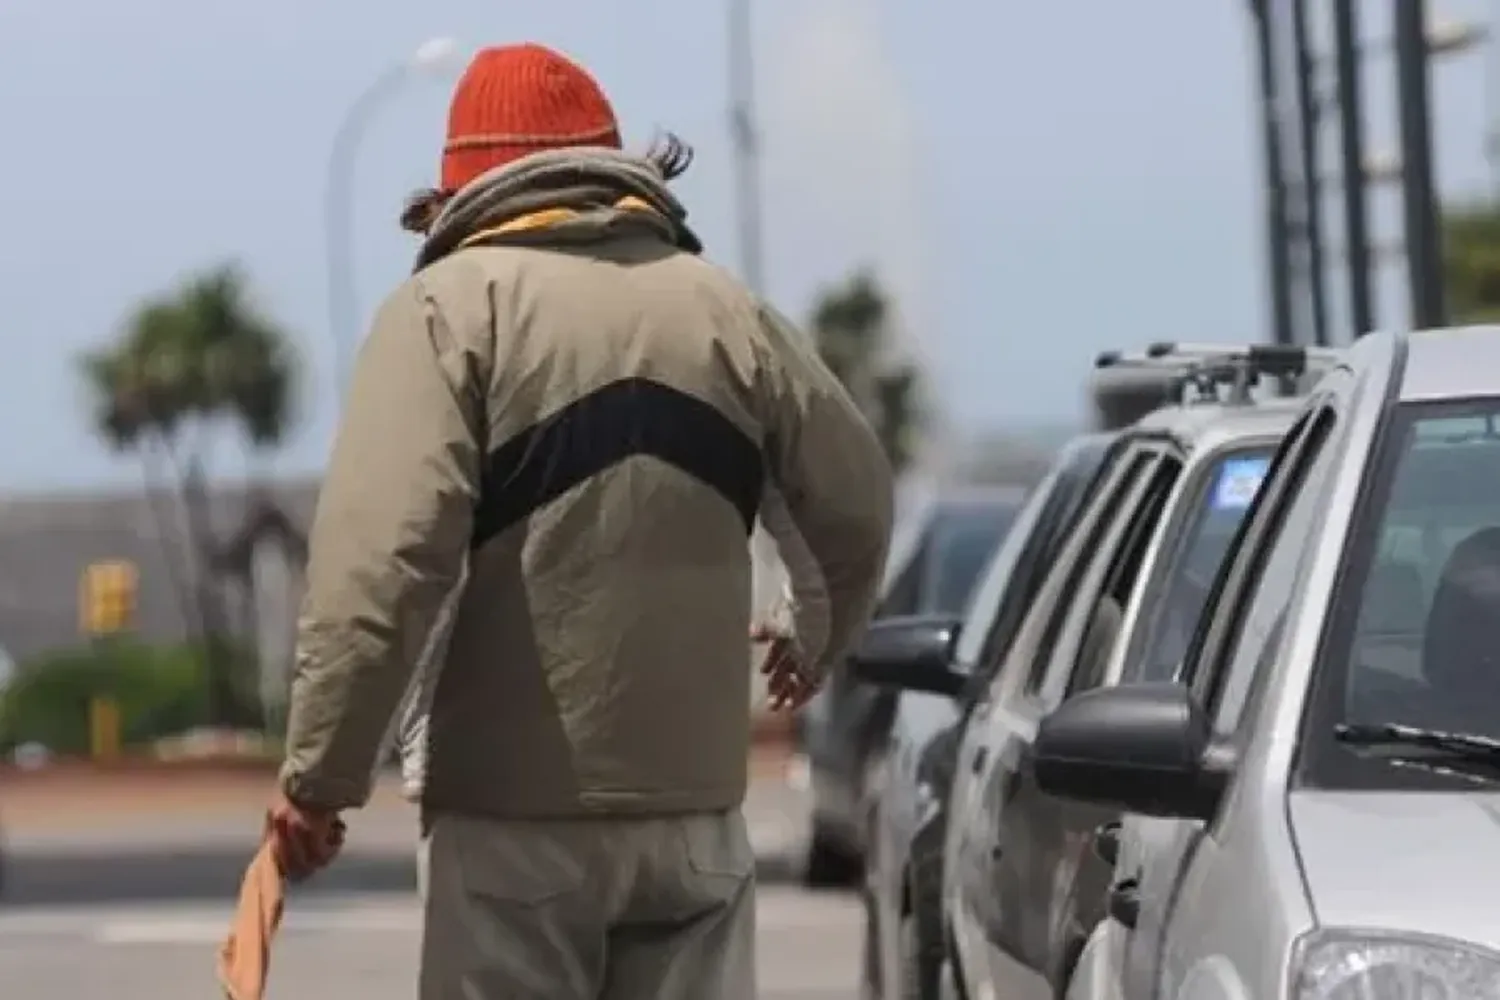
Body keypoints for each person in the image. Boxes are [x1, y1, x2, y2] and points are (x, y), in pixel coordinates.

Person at [263, 42, 894, 1000]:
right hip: (697, 825)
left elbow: (382, 569)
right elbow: (855, 502)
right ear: (619, 169)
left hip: (509, 832)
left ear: (458, 192)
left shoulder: (444, 314)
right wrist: (814, 635)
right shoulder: (729, 312)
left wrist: (319, 779)